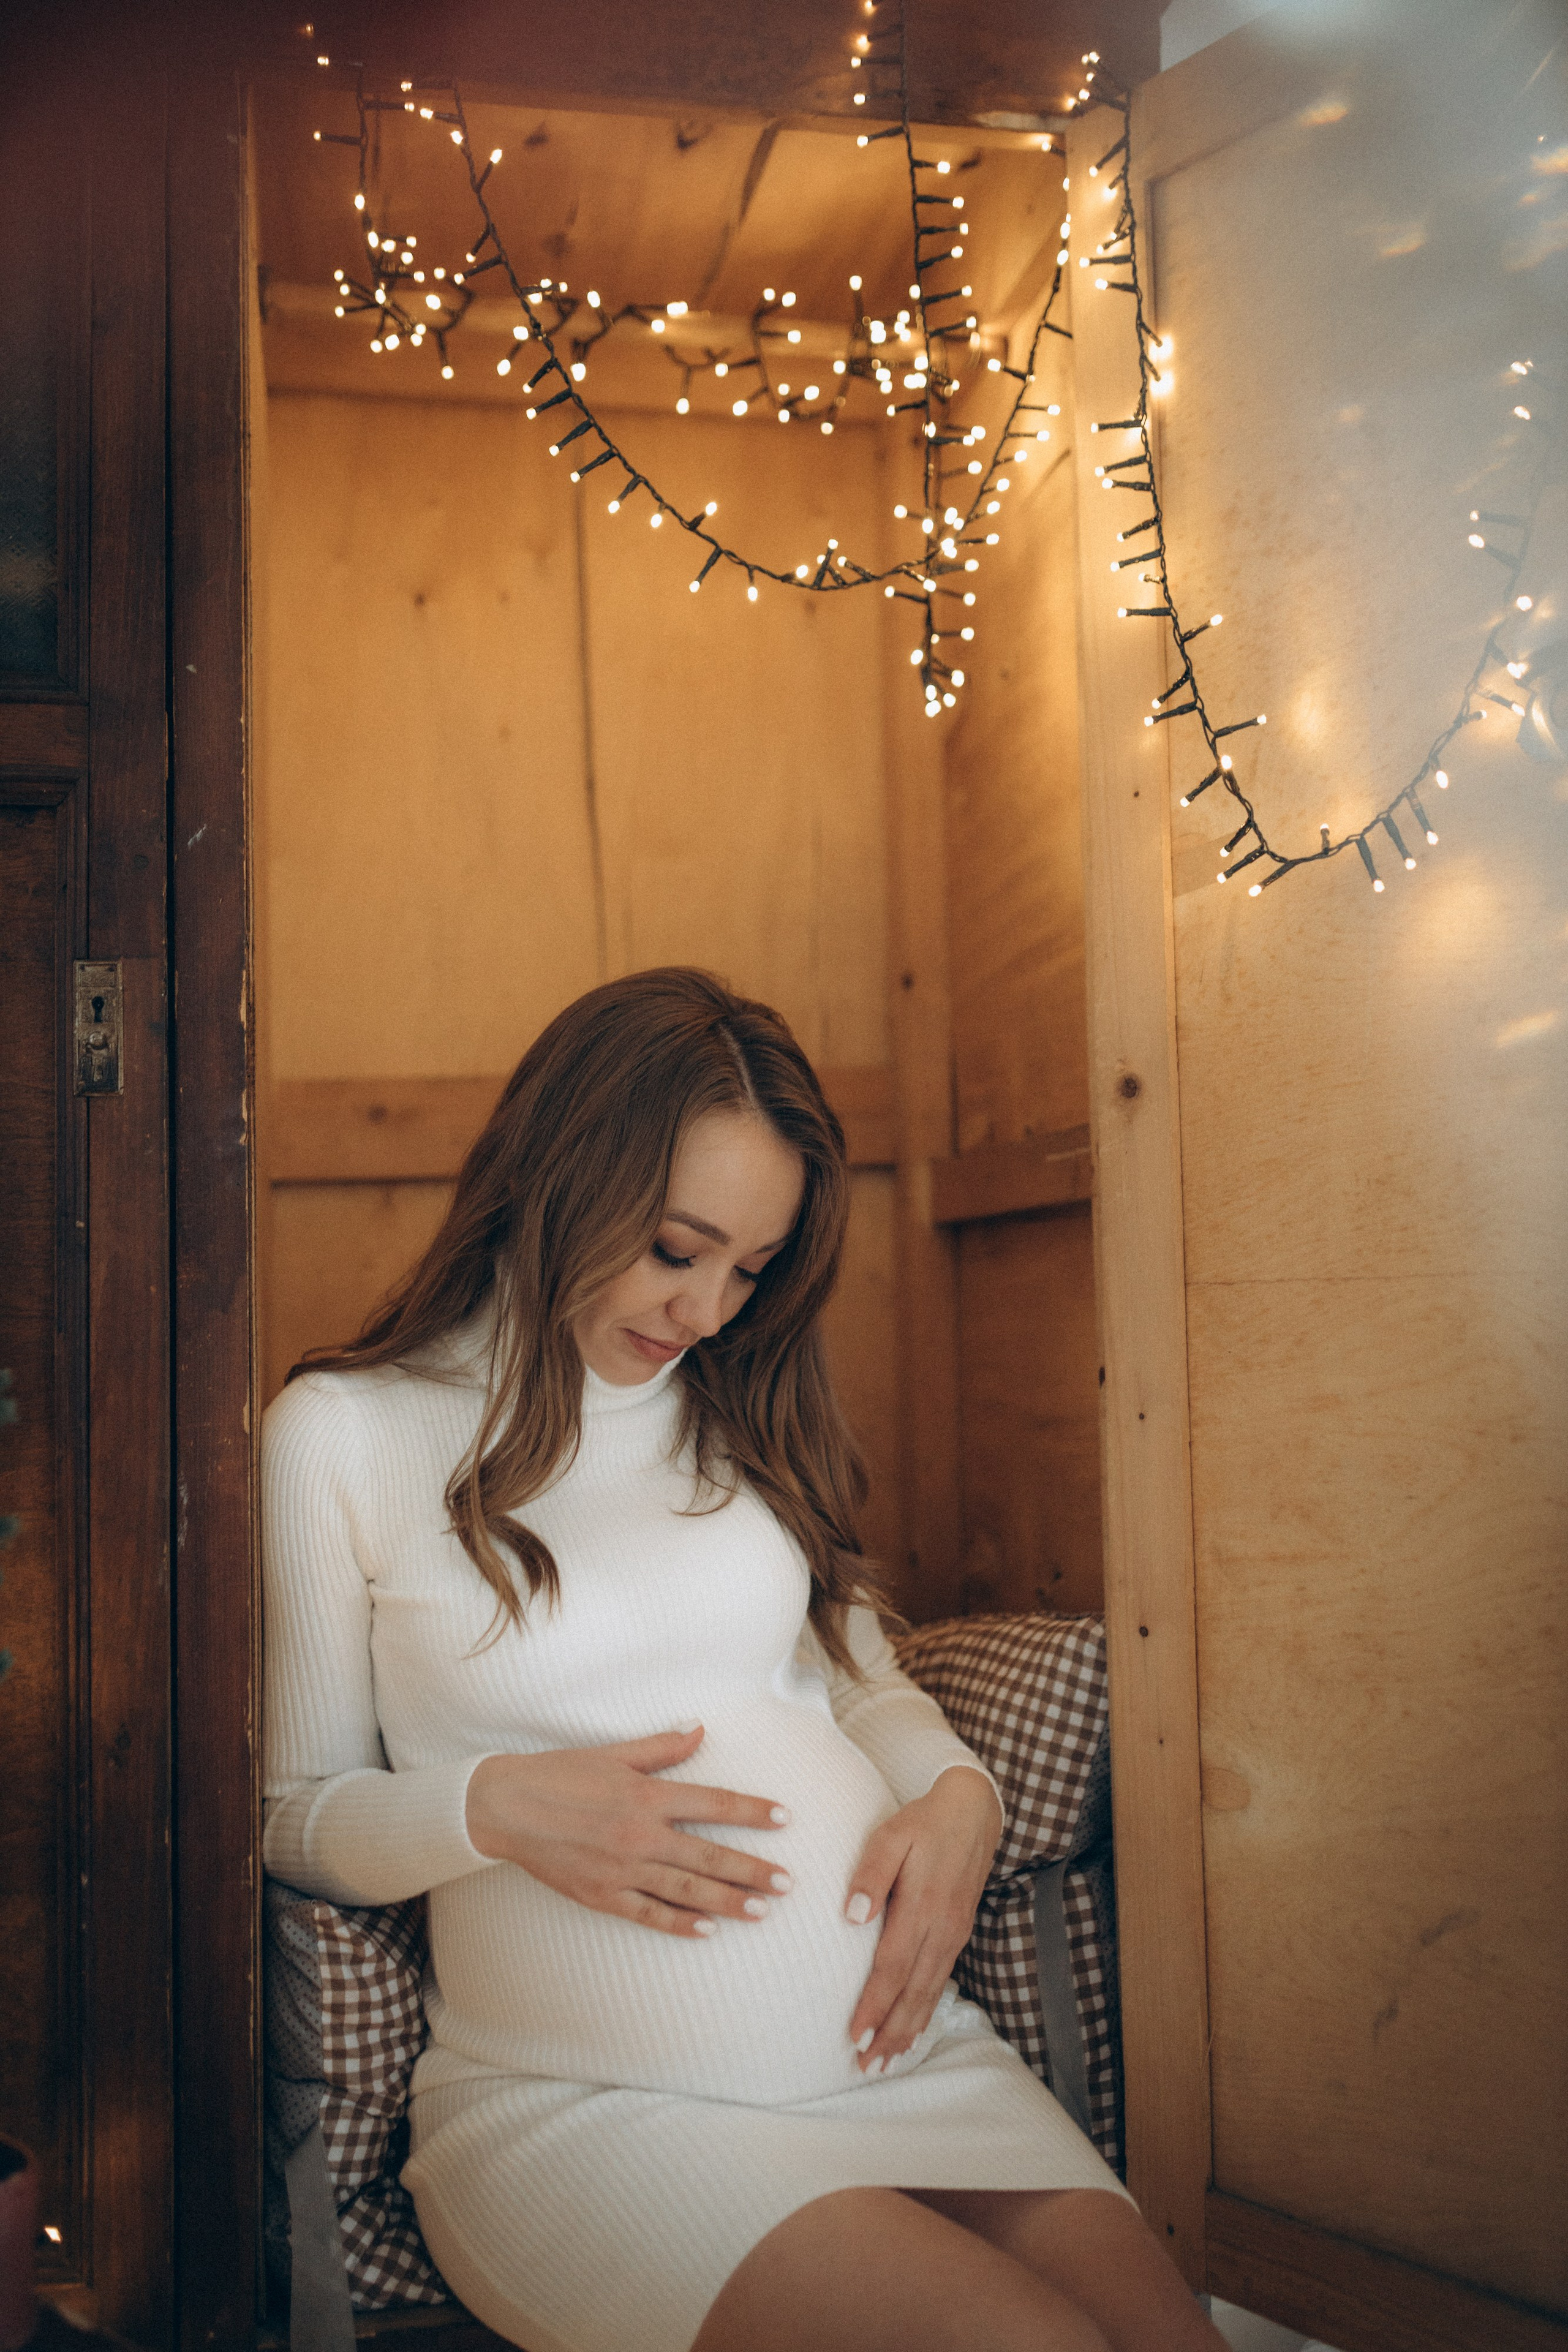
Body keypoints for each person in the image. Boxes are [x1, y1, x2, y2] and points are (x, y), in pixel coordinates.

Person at [263, 968, 1226, 2352]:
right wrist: (497, 1808)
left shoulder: (733, 1406)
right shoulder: (346, 1434)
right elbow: (292, 1815)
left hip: (901, 2061)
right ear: (560, 1178)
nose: (706, 1309)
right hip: (591, 2115)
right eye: (673, 1247)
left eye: (749, 1267)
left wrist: (959, 1794)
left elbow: (856, 1676)